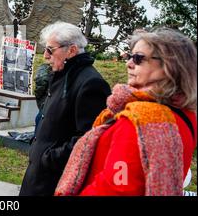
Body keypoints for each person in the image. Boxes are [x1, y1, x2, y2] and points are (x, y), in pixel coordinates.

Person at [55, 28, 197, 196]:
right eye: (130, 56)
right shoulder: (186, 115)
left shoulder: (138, 120)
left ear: (169, 66)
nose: (128, 63)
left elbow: (115, 188)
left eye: (138, 58)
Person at [19, 21, 111, 196]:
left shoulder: (91, 83)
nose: (46, 56)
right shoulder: (62, 74)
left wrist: (49, 157)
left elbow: (88, 139)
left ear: (72, 50)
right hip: (38, 176)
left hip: (55, 181)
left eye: (50, 50)